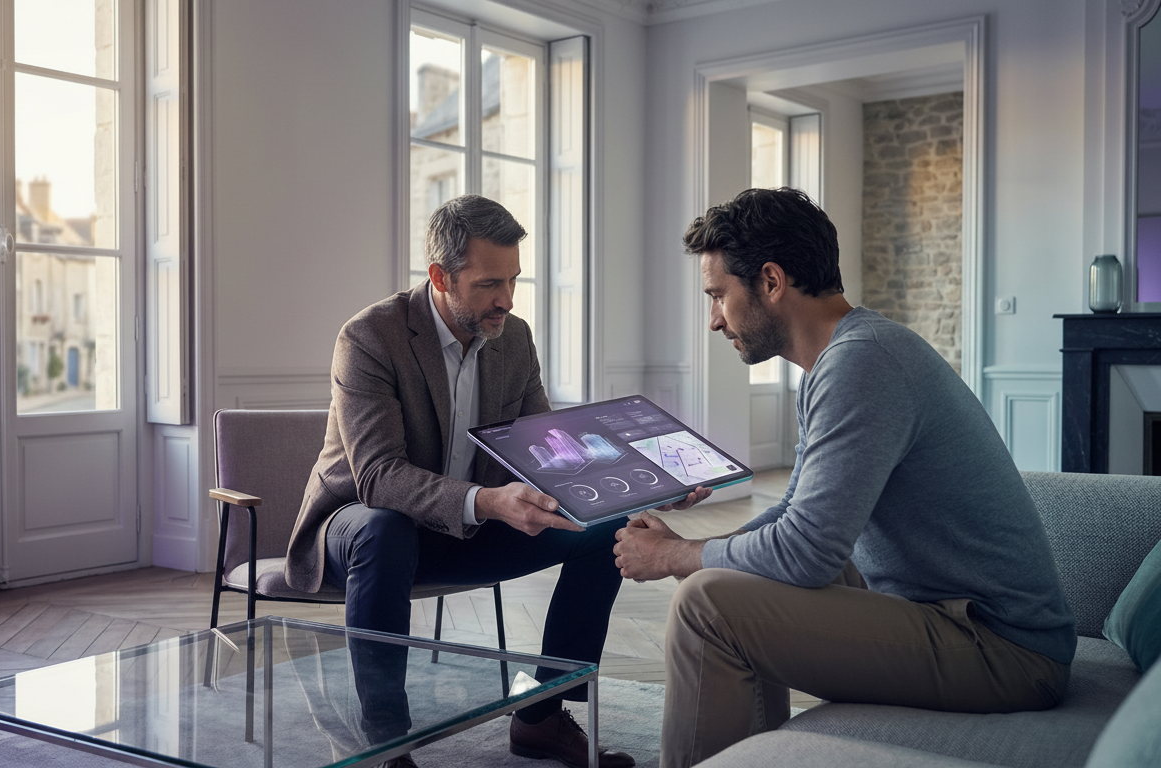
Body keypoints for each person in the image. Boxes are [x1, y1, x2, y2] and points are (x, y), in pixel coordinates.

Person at [613, 188, 1077, 768]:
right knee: (742, 577)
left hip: (1002, 652)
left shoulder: (863, 362)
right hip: (952, 618)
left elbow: (806, 552)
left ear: (772, 281)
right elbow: (796, 515)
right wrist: (689, 548)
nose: (713, 320)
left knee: (707, 603)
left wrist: (674, 556)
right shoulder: (844, 357)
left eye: (718, 296)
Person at [286, 194, 639, 768]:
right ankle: (384, 745)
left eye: (514, 281)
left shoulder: (514, 338)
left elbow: (545, 449)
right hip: (356, 527)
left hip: (462, 529)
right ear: (440, 276)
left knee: (610, 528)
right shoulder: (370, 338)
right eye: (488, 285)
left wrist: (640, 481)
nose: (506, 300)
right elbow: (378, 477)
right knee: (384, 529)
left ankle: (541, 717)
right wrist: (489, 501)